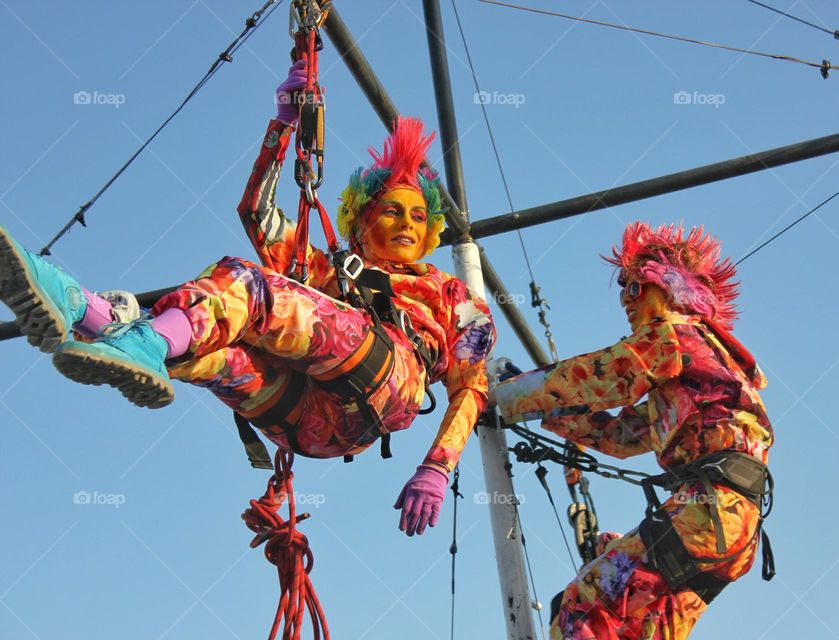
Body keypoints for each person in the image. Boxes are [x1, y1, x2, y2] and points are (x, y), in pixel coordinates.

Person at [0, 63, 495, 537]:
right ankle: (87, 312)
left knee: (243, 285)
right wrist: (283, 123)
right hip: (307, 428)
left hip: (389, 379)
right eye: (391, 211)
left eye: (416, 217)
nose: (407, 223)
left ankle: (112, 324)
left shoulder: (451, 295)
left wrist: (436, 466)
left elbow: (470, 387)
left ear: (431, 230)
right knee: (212, 346)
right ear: (360, 220)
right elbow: (257, 212)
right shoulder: (326, 274)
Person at [495, 222, 773, 639]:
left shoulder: (675, 337)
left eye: (634, 288)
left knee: (581, 610)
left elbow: (603, 376)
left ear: (670, 285)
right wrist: (540, 412)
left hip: (708, 511)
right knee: (639, 631)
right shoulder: (703, 375)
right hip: (731, 529)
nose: (626, 301)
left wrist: (507, 395)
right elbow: (621, 437)